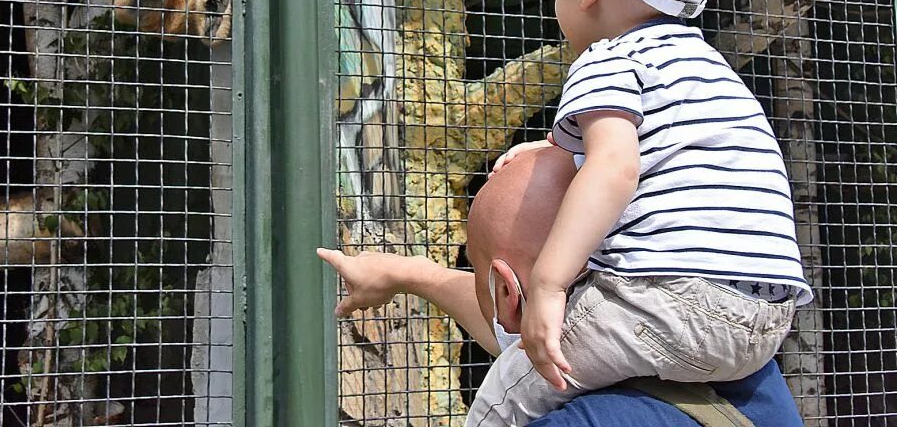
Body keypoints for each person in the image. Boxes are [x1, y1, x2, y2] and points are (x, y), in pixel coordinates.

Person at [471, 0, 812, 424]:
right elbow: (654, 160)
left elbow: (613, 168)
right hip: (765, 322)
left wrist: (552, 284)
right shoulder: (710, 72)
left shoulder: (608, 59)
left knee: (504, 397)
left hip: (667, 303)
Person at [317, 146, 804, 426]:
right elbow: (527, 337)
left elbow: (524, 338)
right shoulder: (731, 355)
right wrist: (409, 274)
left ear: (508, 294)